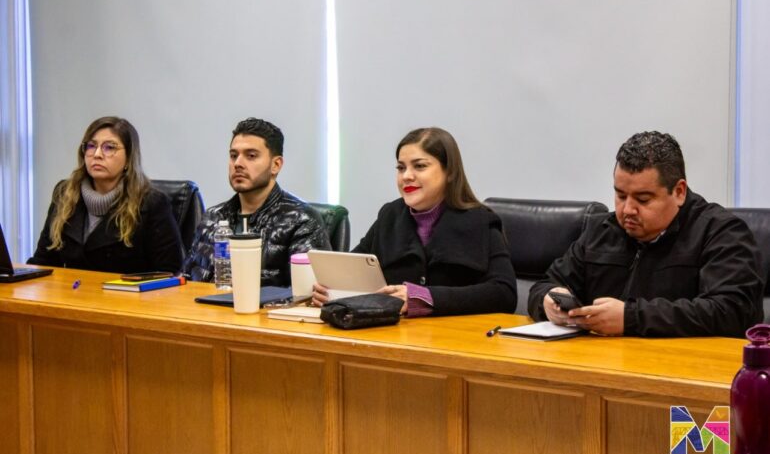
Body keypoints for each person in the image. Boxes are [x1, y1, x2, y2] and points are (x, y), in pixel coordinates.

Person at [528, 131, 764, 337]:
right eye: (620, 196)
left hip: (681, 366)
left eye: (643, 199)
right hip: (601, 363)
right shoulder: (601, 230)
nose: (627, 210)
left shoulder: (720, 232)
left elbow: (733, 311)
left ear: (679, 192)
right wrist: (548, 301)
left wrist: (630, 318)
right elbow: (545, 285)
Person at [312, 127, 517, 316]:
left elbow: (504, 294)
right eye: (401, 168)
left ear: (450, 172)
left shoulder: (481, 220)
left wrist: (423, 297)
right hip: (392, 335)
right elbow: (351, 270)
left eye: (420, 166)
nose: (407, 176)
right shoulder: (390, 215)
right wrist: (332, 290)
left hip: (456, 336)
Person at [182, 117, 330, 286]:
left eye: (251, 156)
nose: (238, 163)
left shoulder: (302, 220)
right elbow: (186, 280)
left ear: (276, 165)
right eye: (233, 156)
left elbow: (306, 293)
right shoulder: (213, 217)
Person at [28, 116, 183, 273]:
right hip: (73, 288)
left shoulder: (151, 203)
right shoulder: (64, 193)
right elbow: (43, 261)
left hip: (126, 289)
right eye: (91, 146)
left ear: (128, 159)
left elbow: (169, 273)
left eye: (109, 148)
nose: (97, 154)